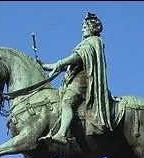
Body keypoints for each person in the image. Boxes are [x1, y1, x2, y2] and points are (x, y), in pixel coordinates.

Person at [42, 12, 113, 144]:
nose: (82, 29)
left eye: (85, 26)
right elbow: (67, 65)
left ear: (92, 28)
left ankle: (62, 134)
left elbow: (76, 58)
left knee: (67, 102)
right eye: (82, 26)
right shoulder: (85, 43)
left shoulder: (93, 41)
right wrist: (45, 66)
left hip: (82, 81)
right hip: (74, 79)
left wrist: (60, 63)